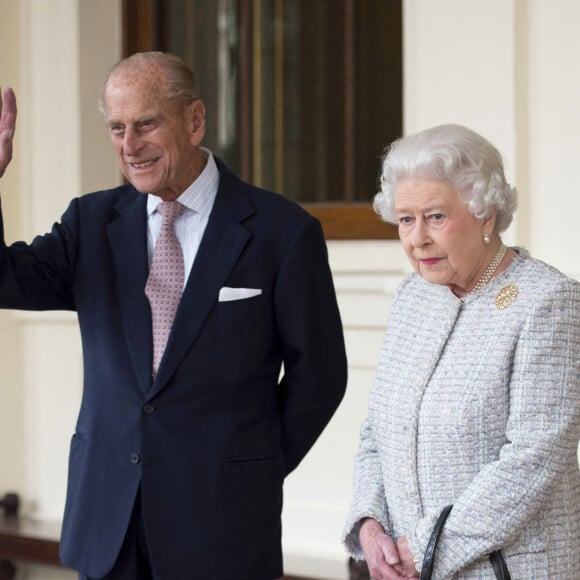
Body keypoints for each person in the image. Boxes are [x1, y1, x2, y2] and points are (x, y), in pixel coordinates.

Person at [0, 51, 347, 580]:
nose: (129, 145)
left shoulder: (283, 231)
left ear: (194, 120)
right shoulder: (90, 223)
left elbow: (319, 376)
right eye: (117, 128)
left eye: (146, 124)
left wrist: (252, 467)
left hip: (223, 528)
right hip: (107, 526)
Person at [343, 124, 580, 578]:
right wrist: (371, 527)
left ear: (486, 214)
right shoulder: (414, 297)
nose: (417, 239)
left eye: (435, 216)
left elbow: (533, 460)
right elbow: (378, 431)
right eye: (406, 220)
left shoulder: (547, 302)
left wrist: (426, 547)